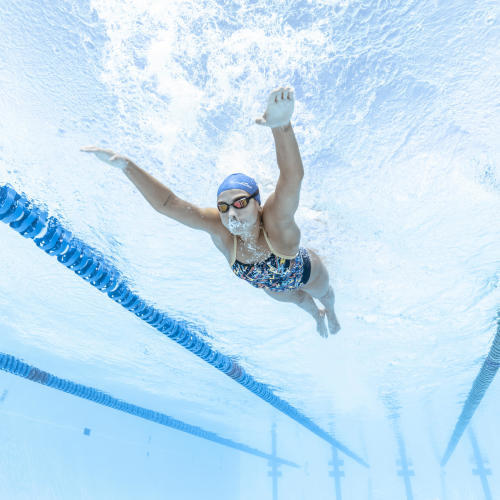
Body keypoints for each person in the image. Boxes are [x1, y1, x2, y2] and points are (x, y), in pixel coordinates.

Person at [81, 87, 340, 337]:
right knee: (300, 301)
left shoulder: (274, 220)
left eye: (240, 203)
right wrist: (128, 167)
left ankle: (330, 312)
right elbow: (168, 204)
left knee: (324, 295)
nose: (231, 214)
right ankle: (316, 316)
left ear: (257, 204)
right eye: (224, 208)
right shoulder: (221, 230)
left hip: (308, 271)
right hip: (276, 288)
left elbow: (292, 177)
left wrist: (281, 126)